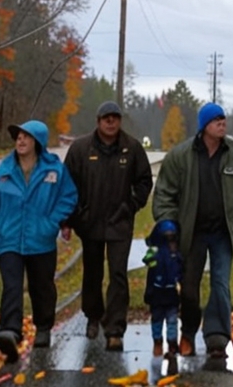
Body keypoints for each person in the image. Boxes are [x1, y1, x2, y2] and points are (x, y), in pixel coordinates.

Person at [152, 102, 233, 358]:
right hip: (192, 233)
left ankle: (216, 337)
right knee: (189, 287)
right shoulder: (182, 156)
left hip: (224, 232)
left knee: (220, 284)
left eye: (223, 119)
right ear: (204, 127)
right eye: (216, 120)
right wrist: (168, 226)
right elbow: (164, 194)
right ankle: (188, 333)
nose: (222, 123)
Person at [0, 120, 77, 363]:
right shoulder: (3, 171)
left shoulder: (54, 171)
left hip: (41, 240)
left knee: (41, 286)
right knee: (12, 285)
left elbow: (68, 197)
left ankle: (43, 327)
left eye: (26, 137)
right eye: (18, 137)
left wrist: (52, 222)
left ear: (38, 142)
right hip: (9, 241)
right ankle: (10, 332)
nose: (20, 141)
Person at [63, 100, 154, 351]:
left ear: (120, 121)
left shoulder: (132, 148)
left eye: (115, 118)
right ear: (98, 121)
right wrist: (70, 219)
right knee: (92, 273)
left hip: (119, 223)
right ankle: (94, 317)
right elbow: (66, 186)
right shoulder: (81, 149)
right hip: (89, 222)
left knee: (118, 274)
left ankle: (115, 328)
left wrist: (132, 205)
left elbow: (144, 181)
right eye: (106, 118)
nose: (111, 122)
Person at [142, 219, 182, 358]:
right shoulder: (156, 254)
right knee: (158, 319)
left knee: (171, 319)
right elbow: (150, 272)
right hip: (158, 291)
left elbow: (181, 272)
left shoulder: (176, 256)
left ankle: (171, 343)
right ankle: (158, 341)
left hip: (170, 291)